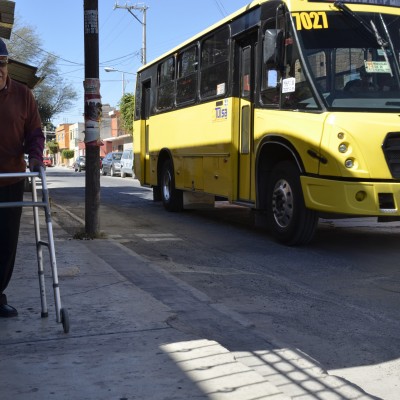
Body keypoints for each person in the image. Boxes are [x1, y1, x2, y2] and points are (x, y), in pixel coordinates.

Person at [0, 38, 45, 318]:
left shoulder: (23, 94)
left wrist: (36, 158)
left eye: (1, 63)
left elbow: (35, 133)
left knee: (6, 244)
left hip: (12, 180)